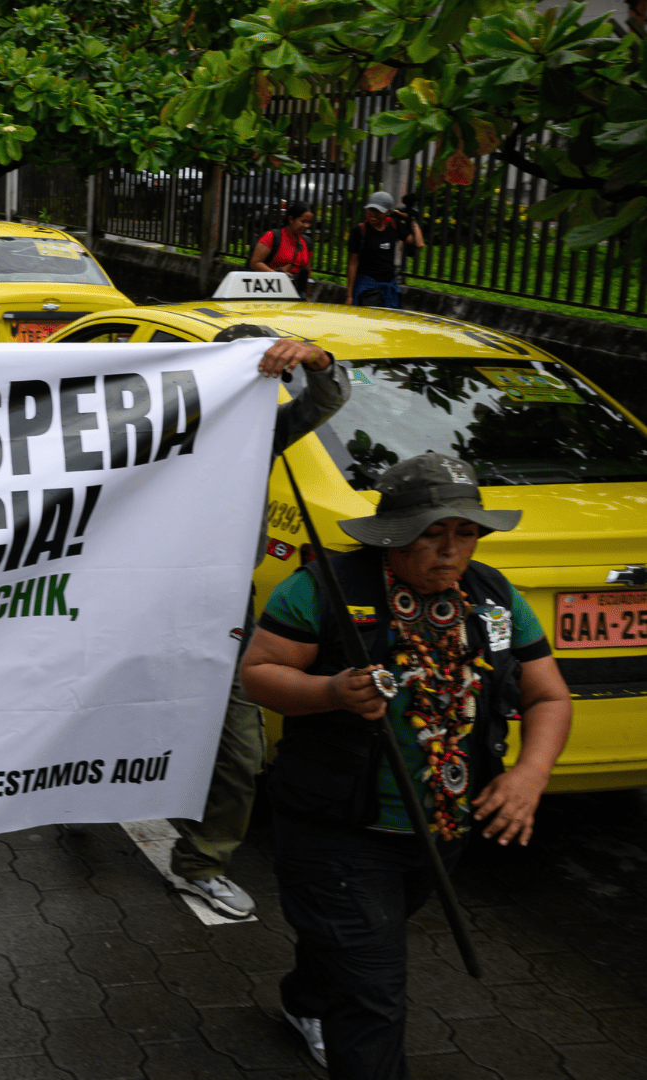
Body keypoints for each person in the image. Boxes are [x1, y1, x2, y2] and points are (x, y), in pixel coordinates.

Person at [242, 451, 570, 1077]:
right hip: (334, 827)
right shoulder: (324, 588)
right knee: (373, 991)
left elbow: (548, 694)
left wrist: (529, 777)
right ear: (394, 536)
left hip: (441, 830)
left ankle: (307, 999)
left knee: (354, 943)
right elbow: (258, 674)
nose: (451, 551)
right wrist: (329, 692)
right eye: (431, 534)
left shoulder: (495, 600)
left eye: (465, 533)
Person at [160, 325, 349, 918]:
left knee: (240, 751)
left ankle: (202, 862)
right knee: (106, 720)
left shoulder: (266, 432)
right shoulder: (151, 428)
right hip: (134, 612)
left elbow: (326, 398)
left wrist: (315, 358)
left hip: (222, 619)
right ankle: (79, 803)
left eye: (263, 377)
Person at [346, 192, 423, 309]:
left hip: (389, 289)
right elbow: (352, 263)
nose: (372, 213)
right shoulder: (360, 231)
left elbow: (418, 243)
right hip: (367, 289)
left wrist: (411, 220)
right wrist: (349, 295)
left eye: (378, 211)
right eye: (370, 209)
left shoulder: (394, 226)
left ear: (388, 212)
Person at [251, 201, 316, 296]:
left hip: (296, 294)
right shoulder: (272, 237)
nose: (306, 226)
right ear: (291, 219)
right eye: (303, 221)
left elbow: (307, 273)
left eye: (309, 222)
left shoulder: (307, 242)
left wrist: (308, 296)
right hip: (270, 291)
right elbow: (255, 263)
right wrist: (280, 276)